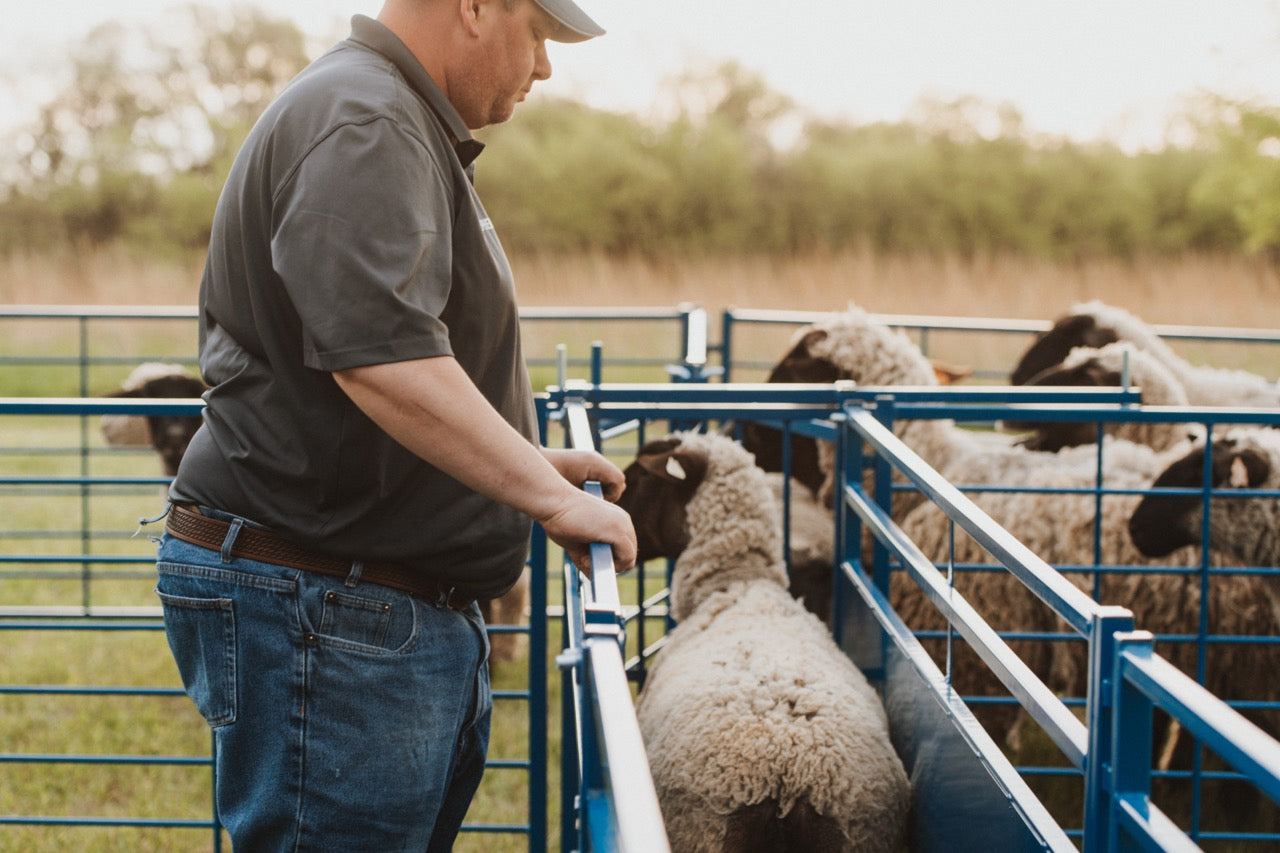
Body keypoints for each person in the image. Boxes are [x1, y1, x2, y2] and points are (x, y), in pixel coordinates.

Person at [150, 0, 636, 849]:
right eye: (539, 34)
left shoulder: (386, 113)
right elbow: (384, 360)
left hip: (352, 596)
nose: (546, 68)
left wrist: (525, 464)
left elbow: (374, 365)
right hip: (327, 602)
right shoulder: (366, 118)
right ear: (478, 7)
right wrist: (547, 499)